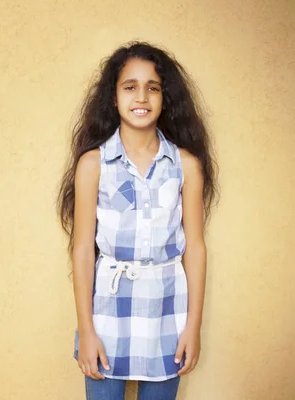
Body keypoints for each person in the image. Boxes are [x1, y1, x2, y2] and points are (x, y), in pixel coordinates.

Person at [57, 41, 218, 400]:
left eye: (153, 87)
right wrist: (87, 330)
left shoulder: (186, 166)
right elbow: (83, 249)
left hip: (167, 315)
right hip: (107, 317)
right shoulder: (93, 165)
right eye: (130, 86)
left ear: (164, 98)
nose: (141, 96)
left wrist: (193, 327)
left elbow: (195, 247)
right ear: (113, 98)